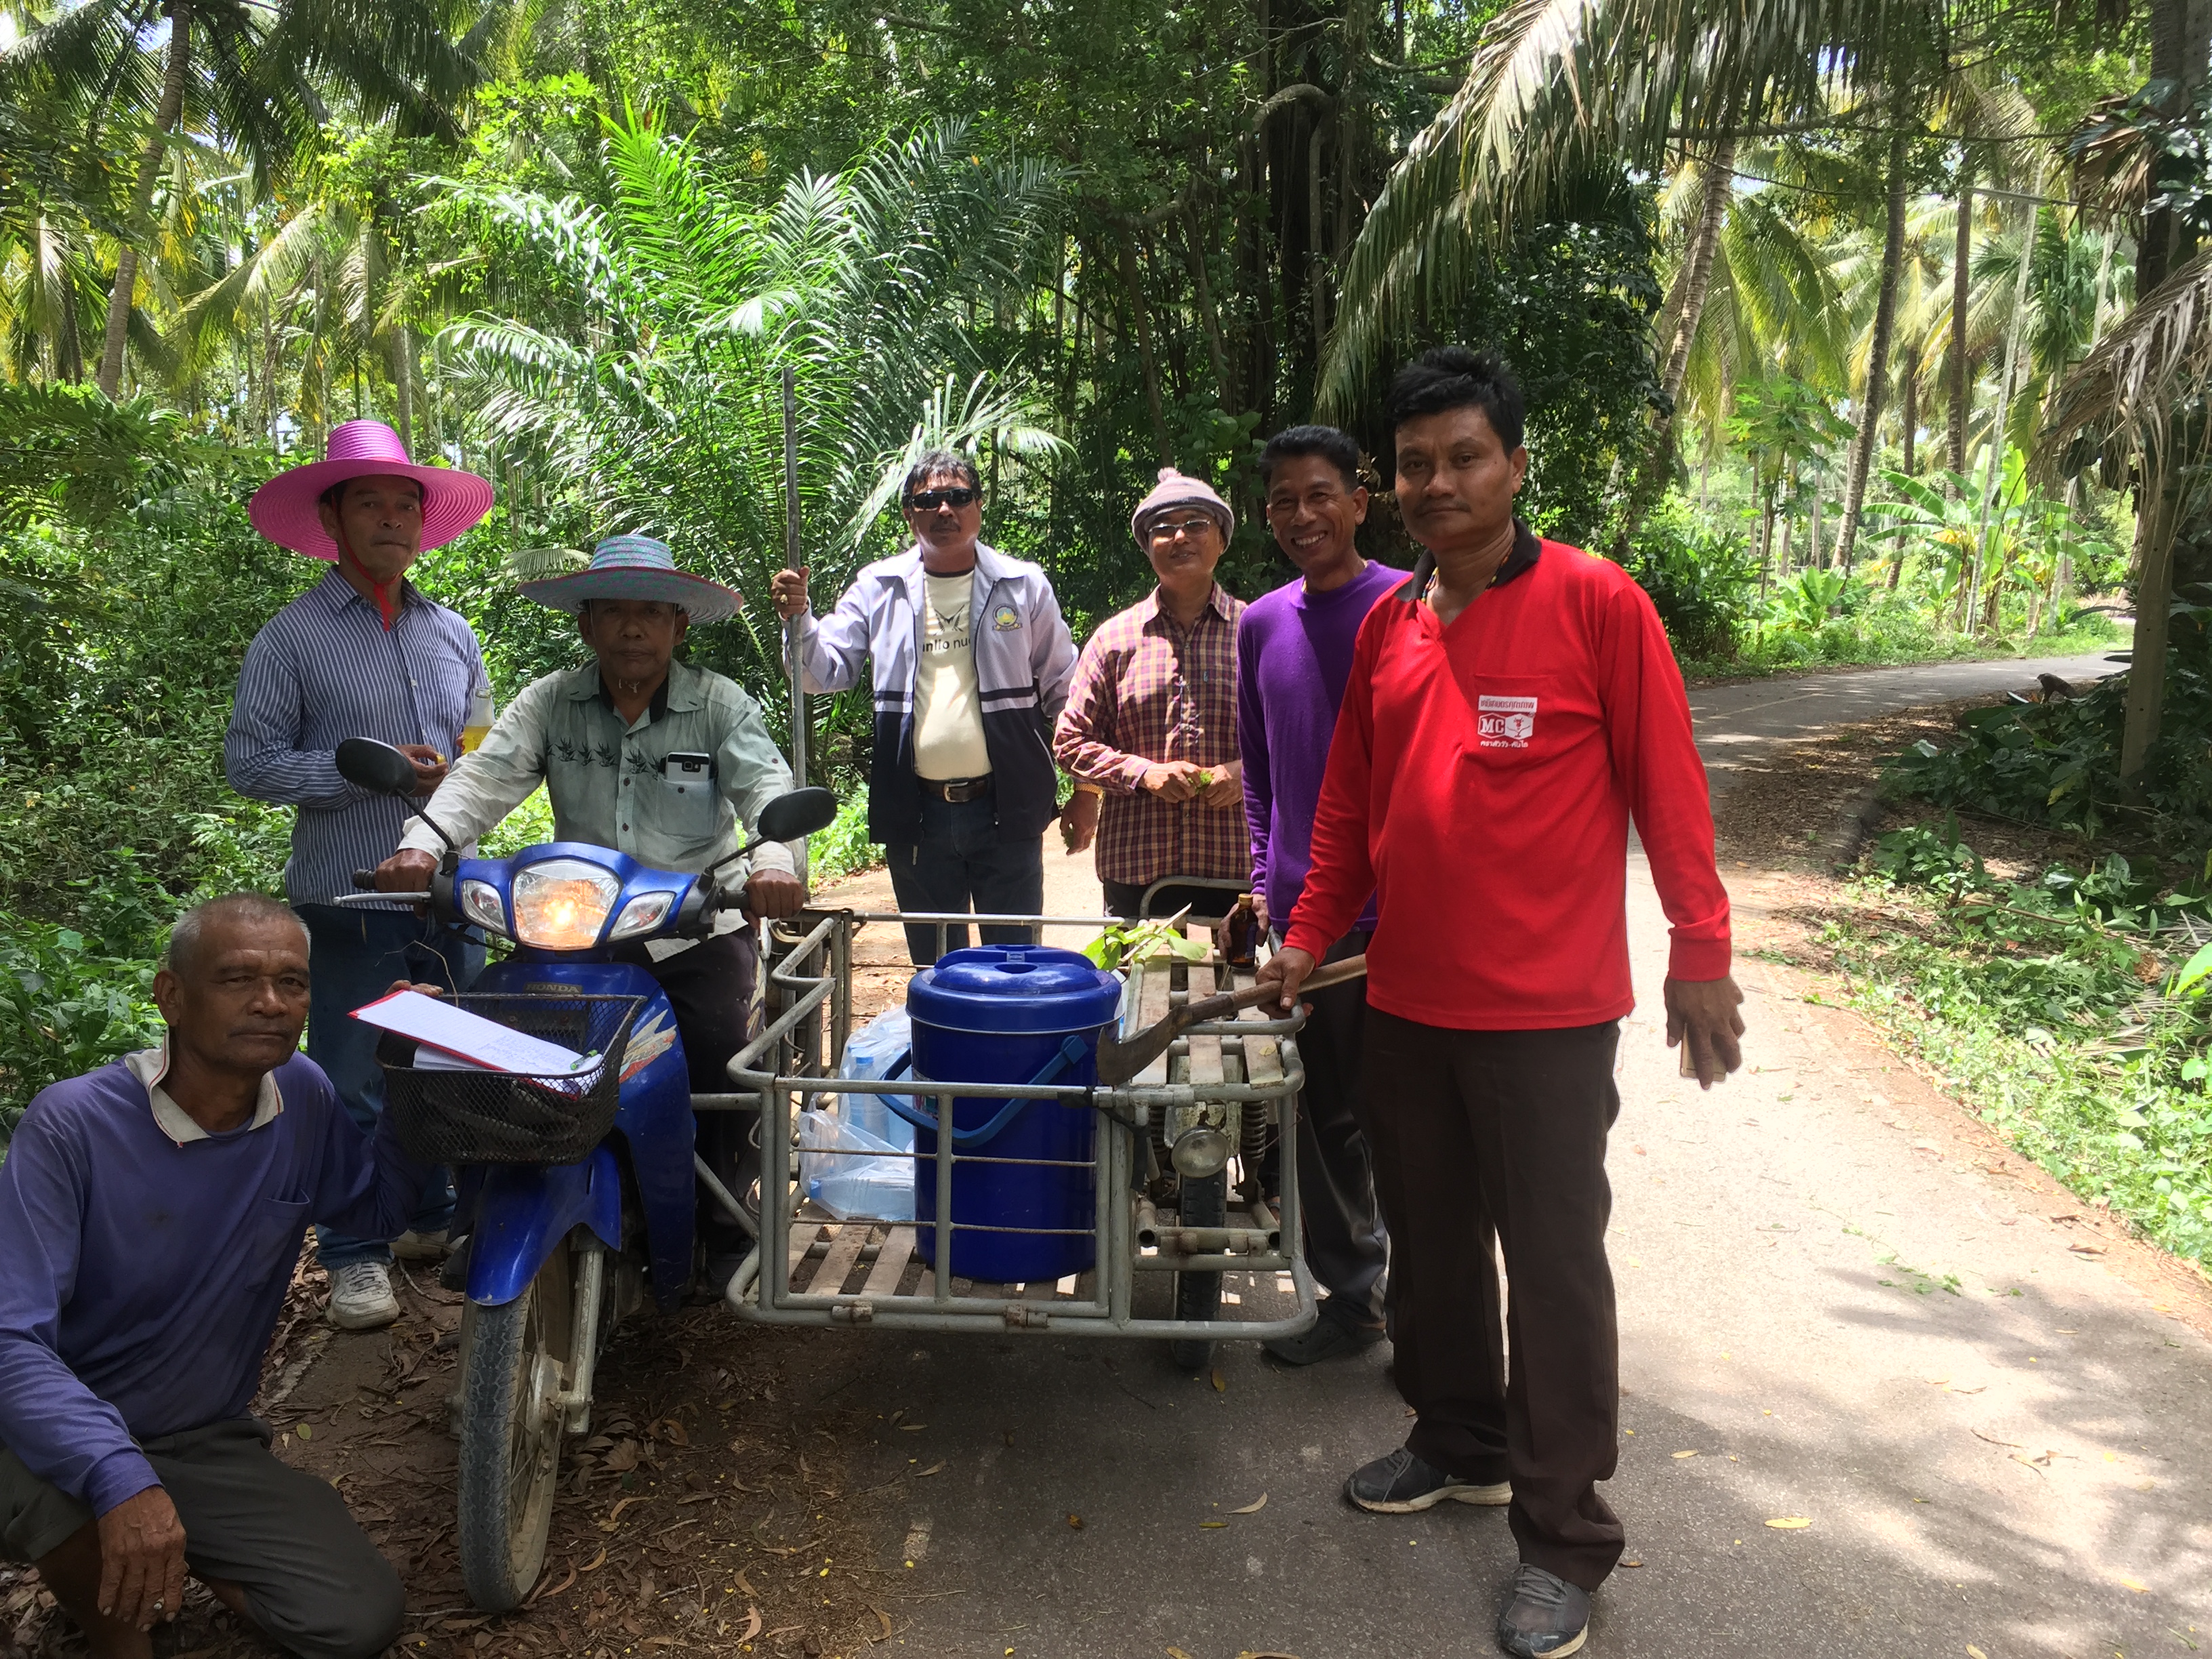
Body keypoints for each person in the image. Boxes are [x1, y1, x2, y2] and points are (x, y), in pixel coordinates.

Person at [1258, 349, 1744, 1659]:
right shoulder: (1388, 625)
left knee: (1553, 1268)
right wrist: (1306, 937)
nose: (1435, 483)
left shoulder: (1595, 602)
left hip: (1543, 1017)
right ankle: (1457, 1439)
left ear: (1514, 466)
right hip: (1406, 999)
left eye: (1462, 457)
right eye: (1412, 465)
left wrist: (1699, 946)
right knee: (1426, 1242)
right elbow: (1349, 807)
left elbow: (1667, 784)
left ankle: (1562, 1536)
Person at [0, 894, 432, 1659]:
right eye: (237, 979)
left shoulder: (301, 1091)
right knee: (124, 1618)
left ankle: (163, 1552)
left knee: (353, 1619)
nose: (271, 1003)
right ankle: (119, 1620)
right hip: (50, 1430)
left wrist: (406, 1073)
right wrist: (117, 1477)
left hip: (196, 1437)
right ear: (171, 995)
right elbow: (10, 1342)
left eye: (292, 983)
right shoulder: (73, 1124)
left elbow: (372, 1214)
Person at [375, 535, 804, 1289]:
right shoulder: (550, 701)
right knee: (499, 1057)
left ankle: (723, 1218)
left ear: (679, 627)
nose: (632, 629)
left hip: (693, 926)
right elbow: (485, 774)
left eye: (650, 613)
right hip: (576, 931)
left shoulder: (718, 704)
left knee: (718, 1055)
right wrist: (423, 846)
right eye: (615, 612)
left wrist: (771, 864)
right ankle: (490, 1203)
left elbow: (766, 789)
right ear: (587, 625)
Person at [226, 419, 497, 1332]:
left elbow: (485, 750)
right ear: (332, 519)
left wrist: (456, 775)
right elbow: (251, 764)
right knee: (353, 1074)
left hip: (447, 891)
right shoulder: (290, 638)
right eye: (371, 503)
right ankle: (351, 1253)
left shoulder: (450, 632)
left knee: (450, 1056)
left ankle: (426, 1215)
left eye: (405, 505)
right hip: (344, 894)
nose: (392, 519)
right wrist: (357, 769)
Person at [1235, 425, 1405, 1366]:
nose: (1303, 516)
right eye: (1284, 502)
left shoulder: (1412, 608)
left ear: (1358, 502)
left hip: (1400, 927)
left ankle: (1431, 1328)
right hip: (1305, 928)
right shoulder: (1262, 623)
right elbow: (1260, 775)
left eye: (1320, 495)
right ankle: (1352, 1302)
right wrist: (1266, 883)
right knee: (1318, 1121)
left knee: (1408, 1134)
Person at [769, 451, 1078, 964]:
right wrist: (798, 620)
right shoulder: (878, 587)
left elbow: (1065, 688)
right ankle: (949, 1047)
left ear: (979, 506)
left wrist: (1084, 789)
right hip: (917, 816)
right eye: (928, 500)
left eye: (958, 497)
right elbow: (819, 673)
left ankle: (1012, 1047)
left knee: (1017, 965)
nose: (944, 510)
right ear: (910, 514)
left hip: (1007, 811)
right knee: (937, 971)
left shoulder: (1023, 586)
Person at [1053, 468, 1248, 922]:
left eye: (1196, 524)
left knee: (1231, 992)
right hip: (1137, 873)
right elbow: (1070, 741)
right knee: (1139, 991)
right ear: (1147, 547)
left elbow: (1295, 742)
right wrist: (1143, 774)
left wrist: (1248, 773)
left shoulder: (1258, 632)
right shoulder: (1114, 639)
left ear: (1222, 539)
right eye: (1163, 529)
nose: (1180, 537)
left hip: (1237, 870)